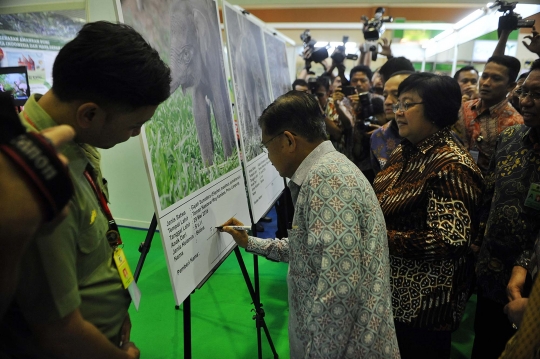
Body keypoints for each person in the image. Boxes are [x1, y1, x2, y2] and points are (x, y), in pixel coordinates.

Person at [0, 21, 171, 359]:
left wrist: (117, 309)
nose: (135, 135)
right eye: (134, 125)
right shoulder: (36, 183)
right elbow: (58, 332)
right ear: (89, 114)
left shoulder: (76, 139)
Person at [221, 90, 400, 359]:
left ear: (288, 141)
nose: (268, 156)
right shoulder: (328, 170)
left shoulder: (327, 180)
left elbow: (339, 290)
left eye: (266, 145)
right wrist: (251, 242)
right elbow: (308, 251)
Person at [372, 73, 483, 359]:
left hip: (425, 306)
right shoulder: (406, 149)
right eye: (398, 103)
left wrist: (379, 237)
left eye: (407, 104)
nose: (398, 111)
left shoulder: (450, 164)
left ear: (435, 110)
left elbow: (449, 239)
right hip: (394, 293)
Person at [472, 58, 540, 359]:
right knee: (484, 343)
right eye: (524, 92)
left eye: (537, 95)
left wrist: (524, 264)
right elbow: (490, 192)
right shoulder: (511, 138)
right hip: (492, 269)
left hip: (531, 282)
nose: (525, 101)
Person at [453, 55, 523, 175]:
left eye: (496, 79)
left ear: (510, 86)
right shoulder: (463, 108)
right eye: (484, 76)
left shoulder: (516, 124)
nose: (486, 83)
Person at [370, 70, 412, 175]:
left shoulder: (434, 134)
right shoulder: (378, 136)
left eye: (396, 95)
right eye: (385, 95)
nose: (388, 102)